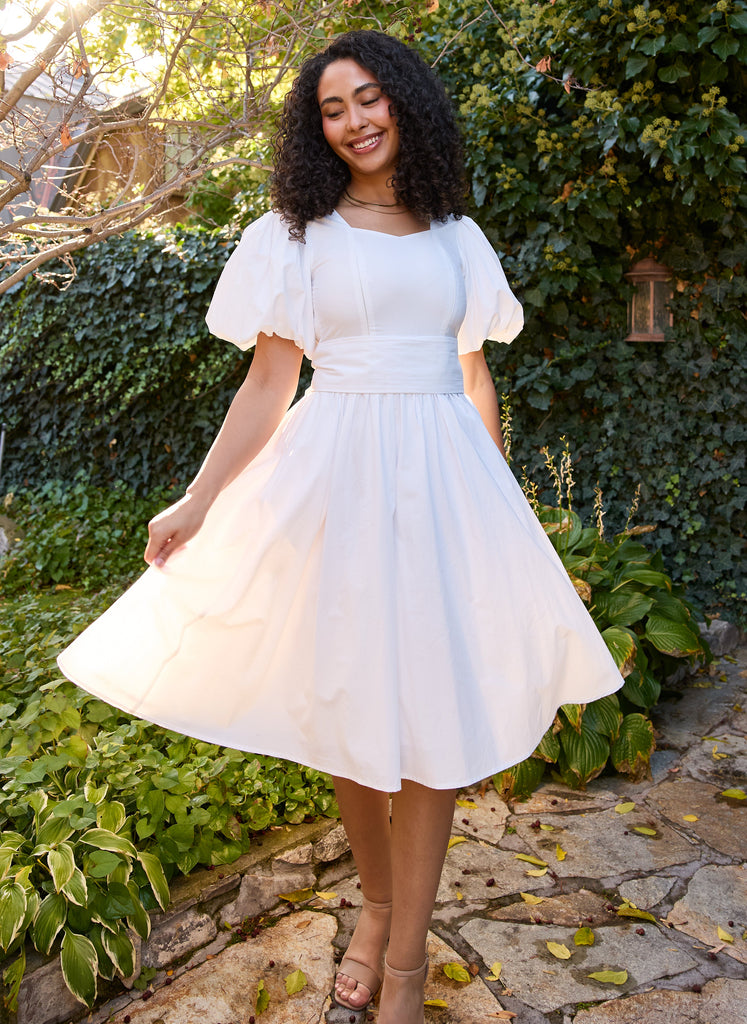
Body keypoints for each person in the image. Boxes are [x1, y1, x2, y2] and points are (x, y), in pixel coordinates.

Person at [58, 30, 623, 1024]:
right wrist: (198, 499)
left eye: (368, 98)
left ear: (402, 101)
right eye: (332, 109)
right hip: (338, 483)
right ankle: (377, 905)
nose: (355, 120)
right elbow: (269, 381)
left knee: (431, 725)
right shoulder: (294, 235)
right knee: (350, 711)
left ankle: (404, 965)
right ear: (314, 129)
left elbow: (474, 375)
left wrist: (496, 512)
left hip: (446, 487)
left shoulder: (459, 238)